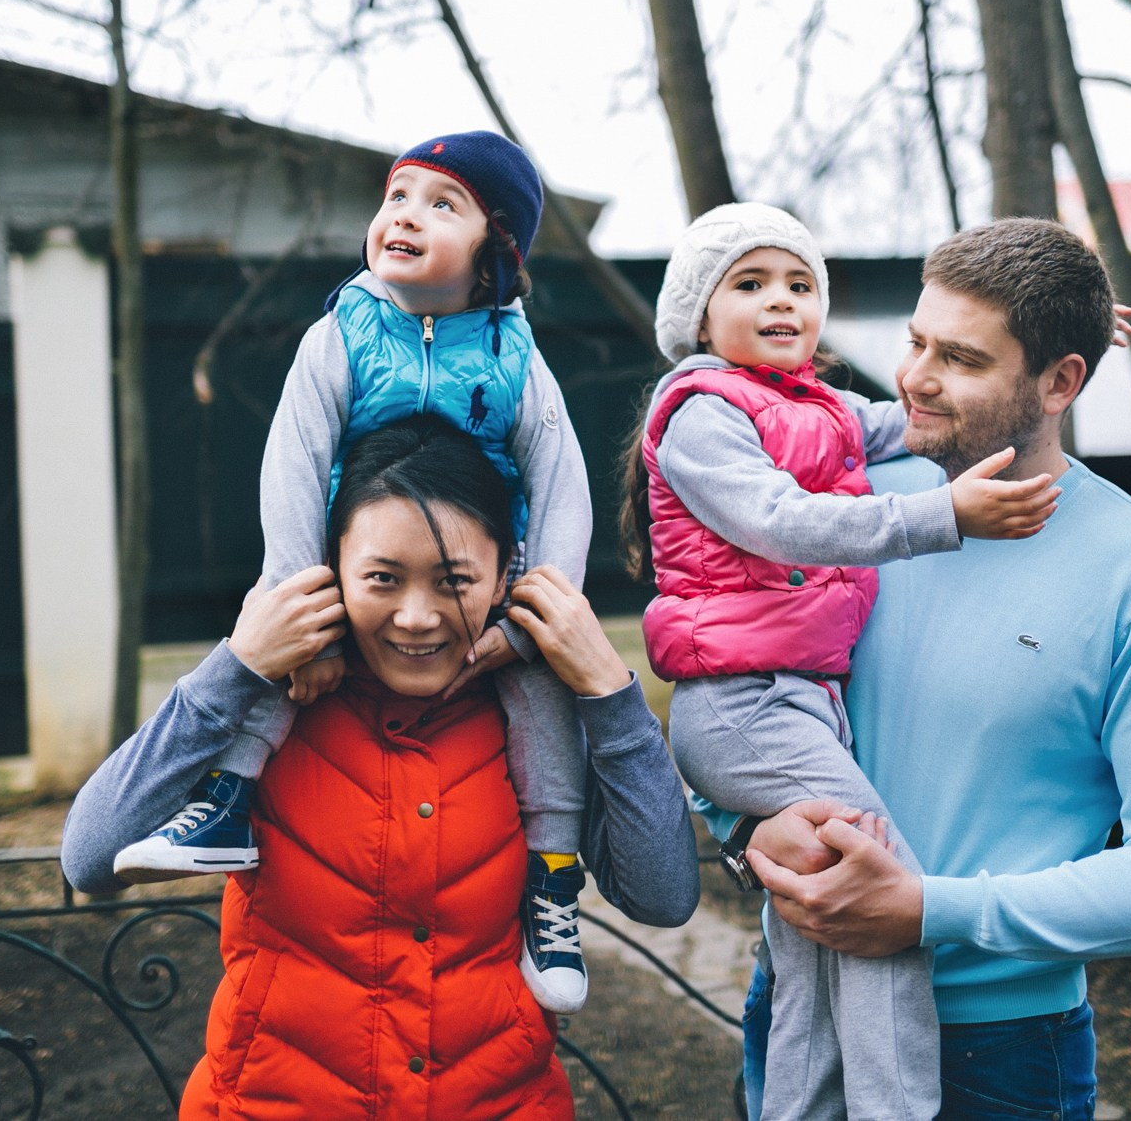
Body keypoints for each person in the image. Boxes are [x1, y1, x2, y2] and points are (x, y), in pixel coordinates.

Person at [716, 218, 1131, 1121]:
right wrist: (741, 826)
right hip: (801, 1005)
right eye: (916, 340)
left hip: (998, 1055)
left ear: (1060, 381)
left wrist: (929, 909)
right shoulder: (844, 504)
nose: (914, 377)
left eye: (960, 358)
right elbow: (730, 686)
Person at [62, 416, 699, 1120]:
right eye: (383, 579)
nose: (416, 617)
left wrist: (607, 690)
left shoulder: (536, 724)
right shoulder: (270, 702)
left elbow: (664, 896)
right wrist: (237, 668)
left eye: (453, 580)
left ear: (504, 575)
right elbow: (89, 857)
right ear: (333, 566)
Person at [110, 130, 602, 1012]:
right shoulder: (342, 333)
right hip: (347, 571)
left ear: (496, 247)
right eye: (396, 196)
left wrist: (537, 618)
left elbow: (564, 486)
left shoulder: (516, 356)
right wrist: (305, 605)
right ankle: (227, 799)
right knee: (275, 624)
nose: (405, 215)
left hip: (487, 584)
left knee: (543, 694)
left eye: (441, 204)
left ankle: (552, 878)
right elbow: (294, 464)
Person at [622, 203, 1072, 1121]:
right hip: (742, 703)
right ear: (699, 318)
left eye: (799, 283)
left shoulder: (821, 407)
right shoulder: (703, 412)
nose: (781, 301)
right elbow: (779, 519)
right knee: (880, 888)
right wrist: (941, 517)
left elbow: (927, 415)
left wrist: (1064, 335)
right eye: (750, 283)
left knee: (816, 930)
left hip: (792, 699)